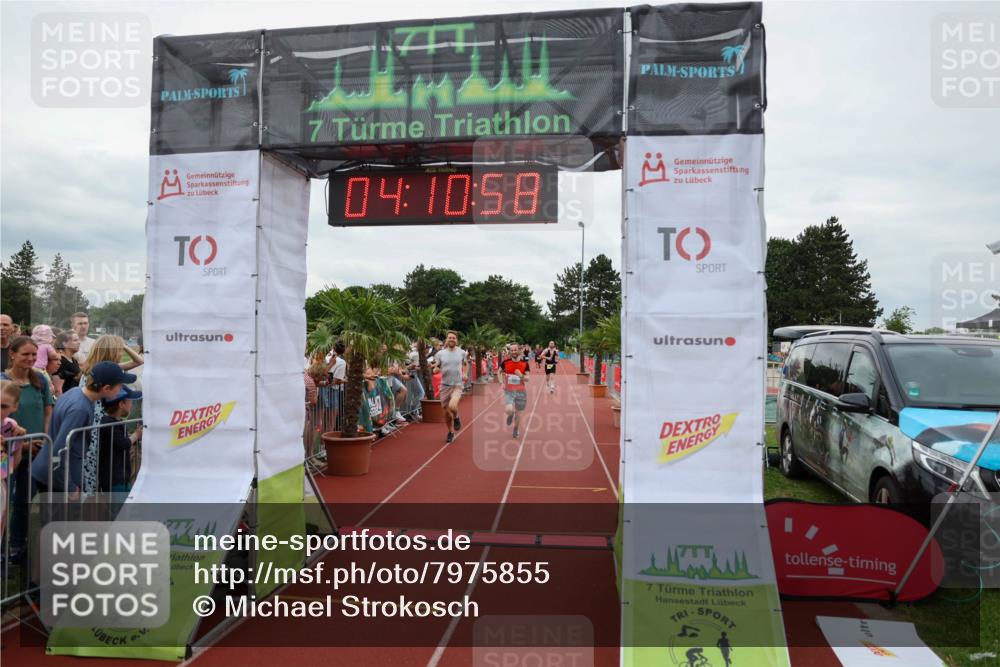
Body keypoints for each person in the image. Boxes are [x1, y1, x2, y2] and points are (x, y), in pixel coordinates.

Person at [31, 361, 135, 495]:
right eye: (120, 386)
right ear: (106, 388)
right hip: (58, 479)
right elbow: (60, 449)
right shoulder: (80, 409)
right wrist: (69, 487)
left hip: (52, 473)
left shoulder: (75, 392)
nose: (121, 390)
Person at [2, 336, 55, 560]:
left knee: (25, 500)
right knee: (5, 503)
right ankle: (6, 548)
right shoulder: (3, 383)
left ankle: (18, 545)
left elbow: (47, 411)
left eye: (34, 354)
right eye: (25, 354)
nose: (30, 358)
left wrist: (43, 438)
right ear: (12, 354)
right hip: (9, 452)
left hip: (36, 451)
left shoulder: (40, 380)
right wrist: (23, 445)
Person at [97, 386, 142, 494]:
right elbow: (122, 444)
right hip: (114, 478)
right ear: (121, 404)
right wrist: (136, 435)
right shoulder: (108, 423)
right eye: (130, 401)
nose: (132, 405)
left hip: (122, 476)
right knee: (118, 509)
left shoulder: (117, 422)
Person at [1, 381, 27, 540]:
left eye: (3, 406)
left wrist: (19, 441)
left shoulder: (11, 426)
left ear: (15, 407)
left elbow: (10, 466)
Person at [435, 331, 468, 443]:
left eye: (454, 338)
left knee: (453, 406)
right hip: (444, 385)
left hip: (457, 384)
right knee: (446, 414)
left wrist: (465, 373)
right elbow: (437, 366)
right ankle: (451, 432)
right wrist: (435, 369)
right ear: (446, 339)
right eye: (450, 338)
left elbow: (465, 363)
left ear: (456, 340)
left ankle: (457, 417)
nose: (452, 339)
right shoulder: (440, 354)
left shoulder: (462, 352)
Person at [500, 343, 530, 438]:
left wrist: (521, 375)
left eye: (515, 350)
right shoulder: (506, 362)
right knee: (509, 410)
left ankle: (516, 429)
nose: (513, 352)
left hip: (521, 391)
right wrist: (502, 382)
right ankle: (510, 414)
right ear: (510, 351)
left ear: (519, 350)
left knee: (519, 413)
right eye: (512, 350)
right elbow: (499, 372)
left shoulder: (525, 363)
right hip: (509, 390)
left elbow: (528, 378)